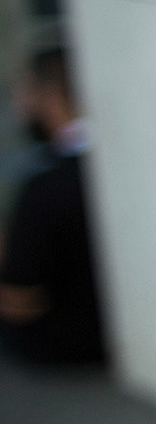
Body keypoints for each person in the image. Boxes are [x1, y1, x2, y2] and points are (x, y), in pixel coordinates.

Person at [1, 45, 106, 365]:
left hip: (65, 347)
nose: (19, 103)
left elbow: (21, 299)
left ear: (50, 96)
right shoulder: (121, 165)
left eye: (24, 91)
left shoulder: (45, 185)